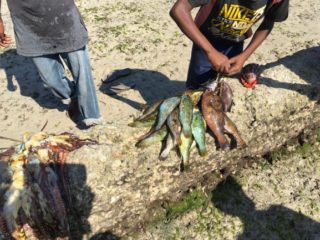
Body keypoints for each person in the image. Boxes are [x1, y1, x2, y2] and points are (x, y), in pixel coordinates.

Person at [0, 0, 103, 127]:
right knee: (51, 81)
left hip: (65, 20)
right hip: (29, 28)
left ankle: (92, 116)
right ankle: (72, 98)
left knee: (82, 75)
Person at [170, 0, 289, 89]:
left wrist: (244, 56)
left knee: (225, 84)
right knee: (198, 83)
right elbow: (179, 10)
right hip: (205, 41)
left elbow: (267, 24)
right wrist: (210, 52)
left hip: (236, 42)